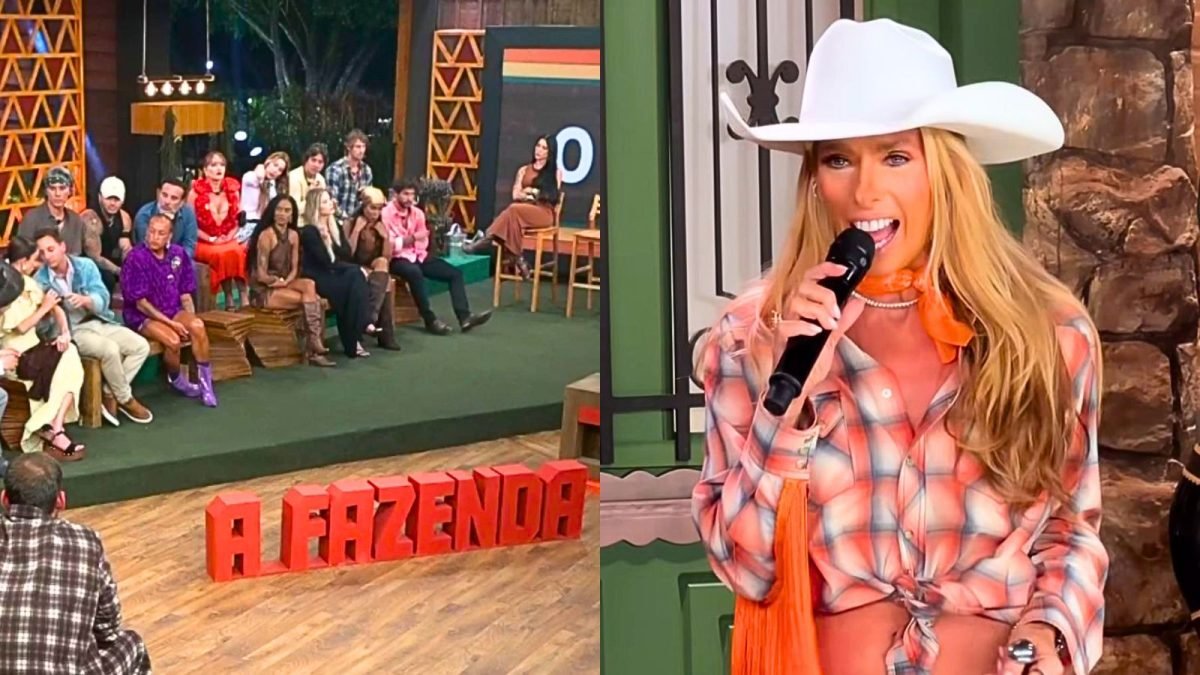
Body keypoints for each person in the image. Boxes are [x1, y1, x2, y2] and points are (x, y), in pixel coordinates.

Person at [691, 19, 1106, 675]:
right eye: (838, 159)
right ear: (814, 178)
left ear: (945, 172)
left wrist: (1047, 635)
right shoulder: (752, 337)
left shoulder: (1046, 333)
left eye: (895, 156)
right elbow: (747, 569)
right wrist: (785, 412)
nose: (865, 191)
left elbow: (1069, 528)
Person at [0, 453, 151, 673]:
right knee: (132, 644)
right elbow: (107, 628)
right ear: (61, 501)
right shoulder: (85, 542)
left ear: (4, 498)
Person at [34, 227, 153, 426]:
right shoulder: (40, 281)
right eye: (42, 252)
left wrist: (87, 300)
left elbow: (103, 297)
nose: (47, 256)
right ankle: (125, 398)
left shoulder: (84, 266)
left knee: (140, 346)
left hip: (98, 320)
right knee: (110, 349)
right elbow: (42, 328)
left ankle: (109, 393)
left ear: (62, 246)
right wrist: (48, 310)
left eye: (51, 249)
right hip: (71, 332)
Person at [0, 240, 85, 460]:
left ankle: (54, 426)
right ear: (23, 261)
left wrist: (64, 331)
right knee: (69, 359)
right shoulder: (6, 290)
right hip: (16, 355)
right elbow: (20, 327)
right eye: (35, 260)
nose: (38, 264)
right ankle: (53, 428)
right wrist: (44, 307)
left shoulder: (28, 283)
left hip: (36, 348)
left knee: (69, 353)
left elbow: (56, 307)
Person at [121, 214, 218, 407]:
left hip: (172, 309)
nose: (154, 237)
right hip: (142, 315)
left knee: (198, 326)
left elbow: (185, 293)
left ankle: (206, 385)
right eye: (151, 232)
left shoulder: (178, 254)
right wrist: (172, 324)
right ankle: (176, 380)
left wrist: (190, 318)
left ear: (169, 236)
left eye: (160, 233)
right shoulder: (135, 257)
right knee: (173, 341)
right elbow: (140, 304)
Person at [384, 179, 491, 335]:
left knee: (455, 274)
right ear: (396, 195)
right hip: (395, 258)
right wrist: (412, 239)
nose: (409, 198)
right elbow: (390, 245)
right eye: (405, 194)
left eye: (412, 195)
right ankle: (430, 320)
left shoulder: (418, 213)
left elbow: (423, 240)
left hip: (418, 255)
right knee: (414, 272)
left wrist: (413, 243)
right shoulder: (385, 214)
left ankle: (465, 317)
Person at [246, 194, 337, 367]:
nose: (282, 214)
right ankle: (314, 350)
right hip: (265, 289)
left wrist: (286, 281)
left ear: (292, 214)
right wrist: (276, 281)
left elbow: (295, 268)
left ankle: (314, 344)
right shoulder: (266, 235)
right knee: (316, 301)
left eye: (287, 210)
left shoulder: (294, 235)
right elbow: (260, 275)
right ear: (272, 212)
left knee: (309, 284)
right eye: (279, 210)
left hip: (285, 282)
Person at [463, 135, 562, 279]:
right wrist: (529, 194)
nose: (539, 150)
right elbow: (516, 194)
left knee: (513, 210)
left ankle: (489, 239)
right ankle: (519, 260)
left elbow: (551, 196)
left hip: (543, 213)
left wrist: (531, 191)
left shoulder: (555, 173)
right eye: (538, 146)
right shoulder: (523, 170)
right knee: (513, 215)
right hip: (522, 213)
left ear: (550, 152)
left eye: (544, 148)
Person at [299, 186, 372, 358]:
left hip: (335, 272)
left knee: (354, 278)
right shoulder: (310, 231)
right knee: (354, 277)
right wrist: (325, 240)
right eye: (325, 201)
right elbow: (325, 262)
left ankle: (355, 337)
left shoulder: (334, 226)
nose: (331, 203)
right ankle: (359, 332)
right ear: (316, 207)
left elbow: (346, 254)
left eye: (330, 199)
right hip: (318, 277)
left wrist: (332, 237)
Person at [189, 150, 249, 310]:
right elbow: (191, 225)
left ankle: (243, 294)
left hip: (228, 237)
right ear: (205, 169)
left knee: (238, 251)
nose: (218, 168)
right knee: (221, 254)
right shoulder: (194, 193)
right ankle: (228, 296)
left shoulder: (233, 189)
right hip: (203, 240)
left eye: (222, 165)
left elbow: (238, 220)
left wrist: (229, 236)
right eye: (214, 165)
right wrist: (211, 239)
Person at [345, 186, 401, 351]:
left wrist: (385, 238)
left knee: (382, 264)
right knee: (386, 284)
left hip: (373, 267)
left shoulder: (381, 224)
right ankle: (385, 334)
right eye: (372, 208)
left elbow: (387, 257)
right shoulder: (350, 223)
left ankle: (370, 317)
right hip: (353, 267)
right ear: (363, 206)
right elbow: (347, 255)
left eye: (379, 209)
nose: (376, 213)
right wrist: (356, 231)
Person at [80, 176, 134, 291]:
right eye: (109, 199)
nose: (112, 203)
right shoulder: (90, 218)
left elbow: (125, 247)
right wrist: (120, 272)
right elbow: (95, 257)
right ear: (100, 197)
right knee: (107, 278)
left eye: (116, 200)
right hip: (88, 264)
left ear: (123, 200)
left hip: (110, 260)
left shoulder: (124, 217)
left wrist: (130, 269)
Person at [16, 166, 85, 254]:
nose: (57, 194)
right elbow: (21, 255)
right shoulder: (31, 218)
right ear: (46, 191)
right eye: (52, 188)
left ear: (70, 191)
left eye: (62, 188)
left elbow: (76, 256)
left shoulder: (75, 220)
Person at [133, 176, 199, 257]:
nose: (167, 201)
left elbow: (189, 245)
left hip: (178, 258)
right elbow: (147, 246)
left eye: (174, 198)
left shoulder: (188, 213)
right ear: (158, 194)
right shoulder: (144, 214)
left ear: (182, 202)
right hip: (148, 259)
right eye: (164, 195)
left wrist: (179, 260)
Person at [239, 151, 290, 243]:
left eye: (280, 170)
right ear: (268, 162)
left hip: (263, 224)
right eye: (275, 165)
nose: (275, 171)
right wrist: (261, 166)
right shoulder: (250, 176)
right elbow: (259, 176)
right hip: (246, 223)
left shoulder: (272, 185)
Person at [325, 129, 374, 221]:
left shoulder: (367, 170)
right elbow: (332, 201)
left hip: (359, 220)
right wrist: (346, 219)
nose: (361, 150)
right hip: (338, 220)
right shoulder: (335, 169)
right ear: (348, 147)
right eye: (358, 147)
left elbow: (369, 200)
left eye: (363, 147)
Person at [289, 142, 328, 217]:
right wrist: (310, 196)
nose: (316, 165)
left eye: (320, 162)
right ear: (306, 160)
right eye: (313, 160)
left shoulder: (320, 179)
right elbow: (294, 210)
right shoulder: (294, 177)